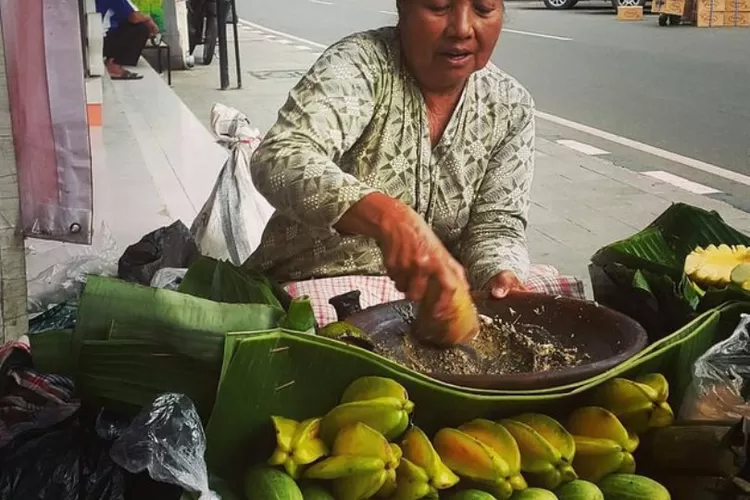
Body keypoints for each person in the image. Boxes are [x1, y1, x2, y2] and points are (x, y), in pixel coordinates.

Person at [246, 0, 583, 332]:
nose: (463, 28)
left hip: (423, 305)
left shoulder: (510, 104)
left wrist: (501, 274)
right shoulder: (360, 65)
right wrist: (388, 217)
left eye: (483, 9)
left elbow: (496, 225)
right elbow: (280, 155)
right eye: (439, 6)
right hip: (308, 291)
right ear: (402, 6)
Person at [95, 0, 160, 80]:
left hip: (98, 41)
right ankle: (114, 65)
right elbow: (134, 17)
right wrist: (148, 19)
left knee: (133, 23)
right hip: (100, 42)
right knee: (141, 29)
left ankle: (112, 61)